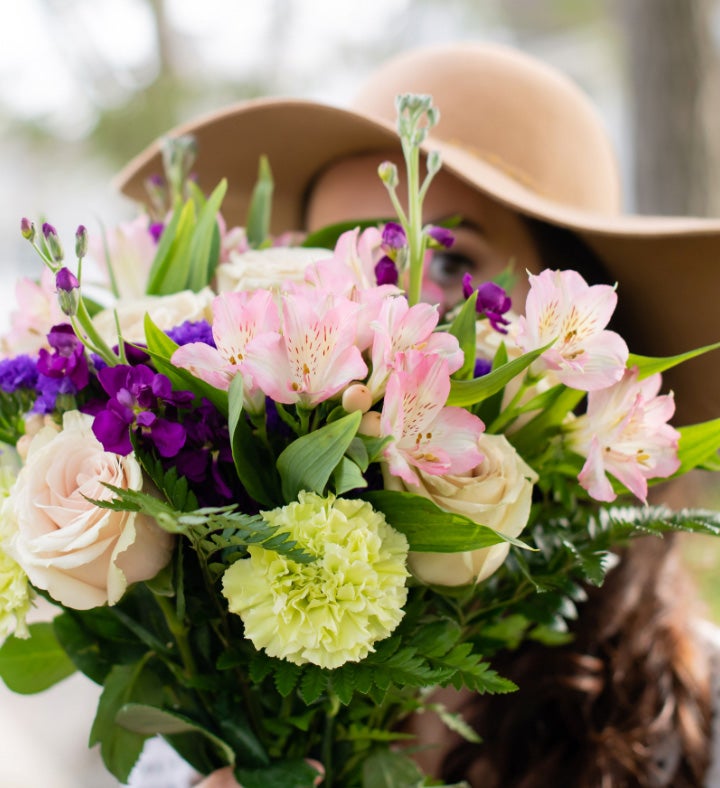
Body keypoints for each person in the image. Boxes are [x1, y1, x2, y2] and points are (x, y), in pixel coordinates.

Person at [118, 43, 720, 787]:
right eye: (330, 264)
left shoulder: (700, 718)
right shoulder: (209, 715)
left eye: (447, 261)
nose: (374, 310)